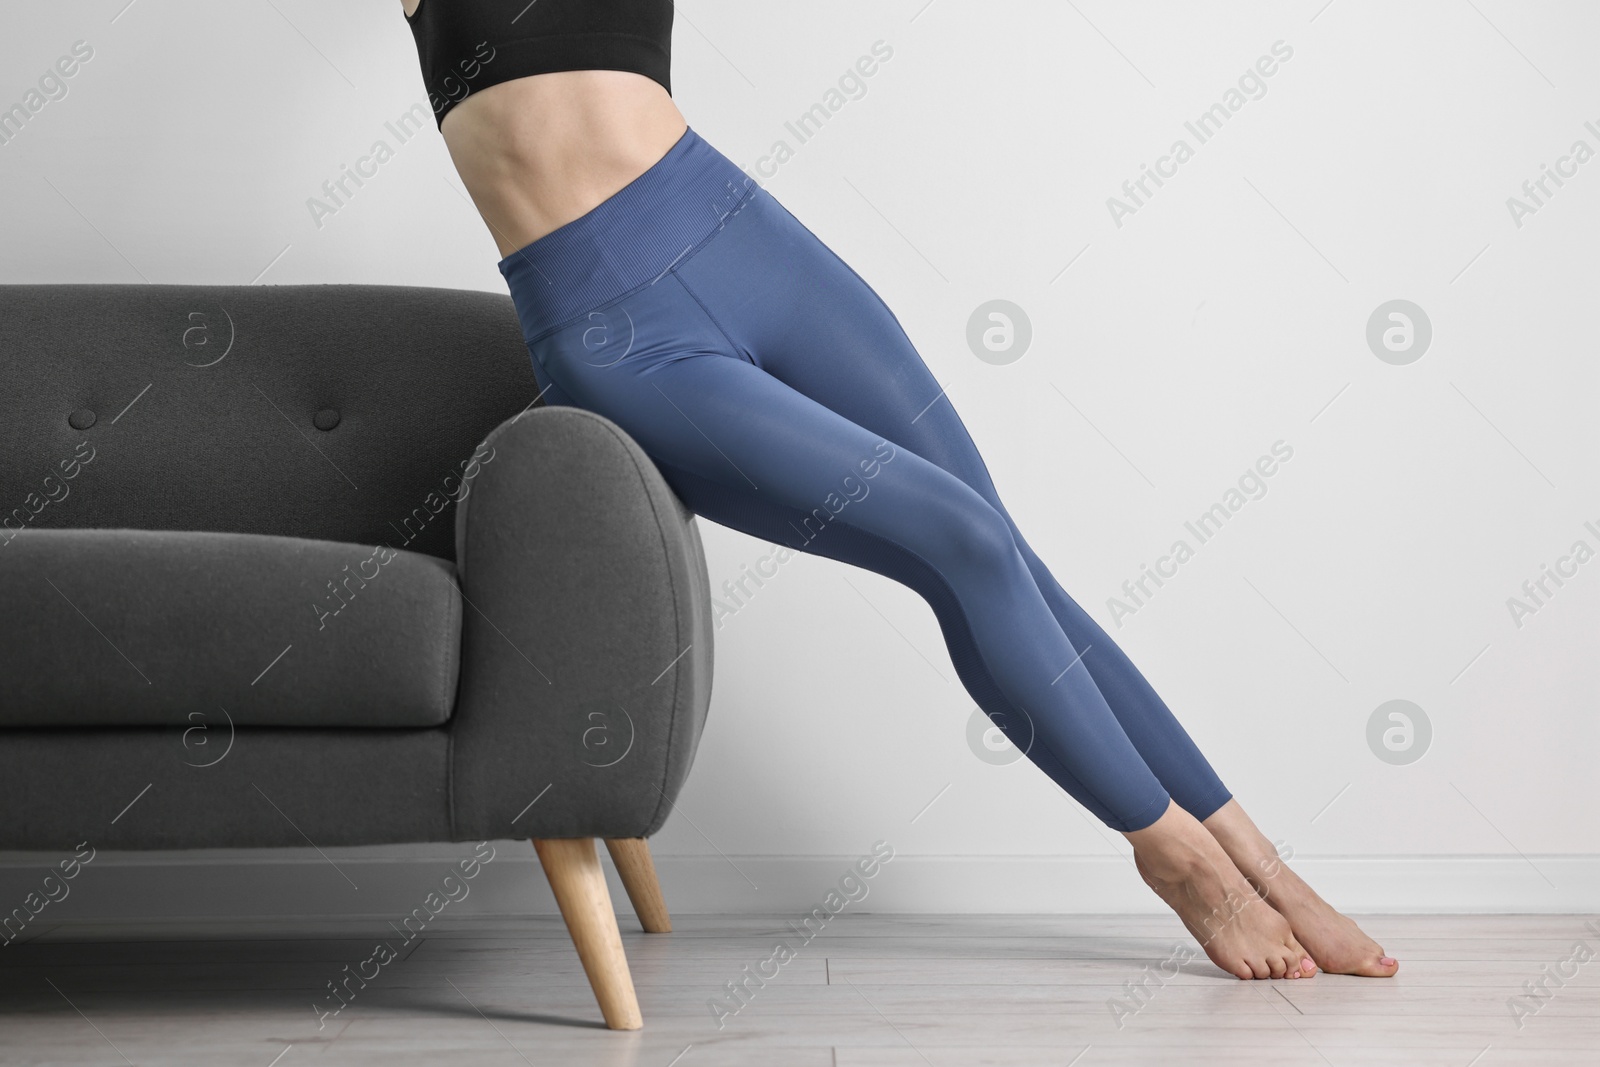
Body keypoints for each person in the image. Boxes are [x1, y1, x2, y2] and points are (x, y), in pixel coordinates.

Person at [401, 0, 1397, 981]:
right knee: (957, 539)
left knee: (1003, 553)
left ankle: (1268, 870)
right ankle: (1175, 854)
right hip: (619, 327)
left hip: (746, 238)